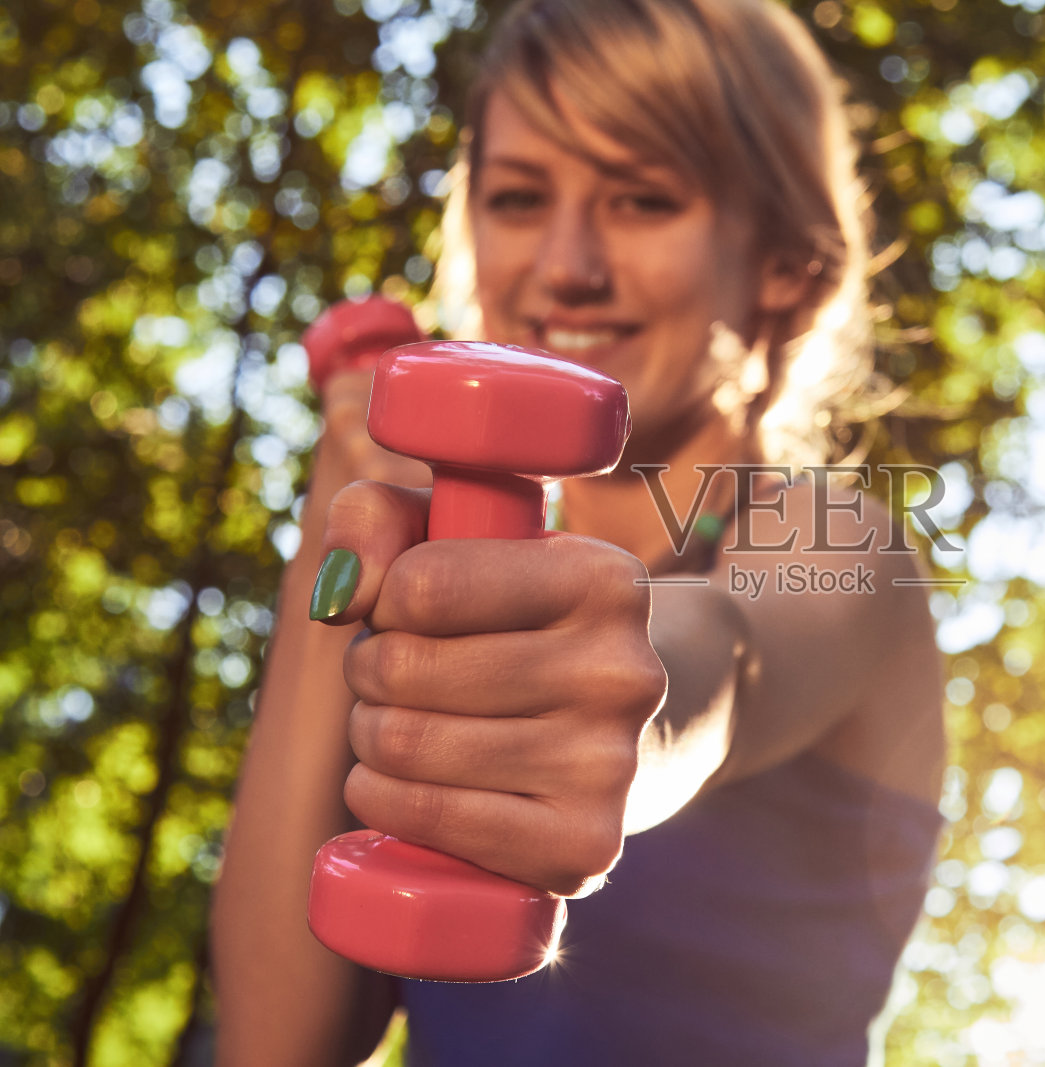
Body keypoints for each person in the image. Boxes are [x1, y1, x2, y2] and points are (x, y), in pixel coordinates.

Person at [210, 0, 946, 1063]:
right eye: (516, 198)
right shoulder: (428, 584)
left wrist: (634, 732)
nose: (564, 265)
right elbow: (275, 1046)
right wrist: (346, 530)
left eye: (642, 199)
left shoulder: (829, 533)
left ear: (790, 265)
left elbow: (729, 654)